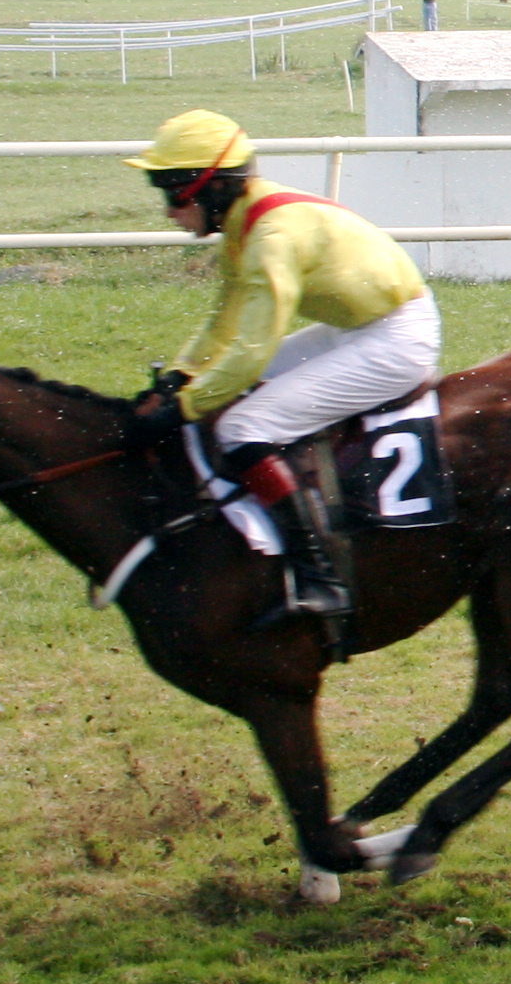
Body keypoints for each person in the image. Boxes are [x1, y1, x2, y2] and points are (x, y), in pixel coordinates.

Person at [121, 109, 437, 626]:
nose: (170, 211)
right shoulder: (246, 222)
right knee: (231, 402)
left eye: (174, 194)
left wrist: (183, 407)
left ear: (211, 186)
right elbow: (226, 317)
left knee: (243, 424)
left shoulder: (271, 236)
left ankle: (319, 574)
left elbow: (249, 349)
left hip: (394, 340)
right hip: (357, 328)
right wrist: (183, 375)